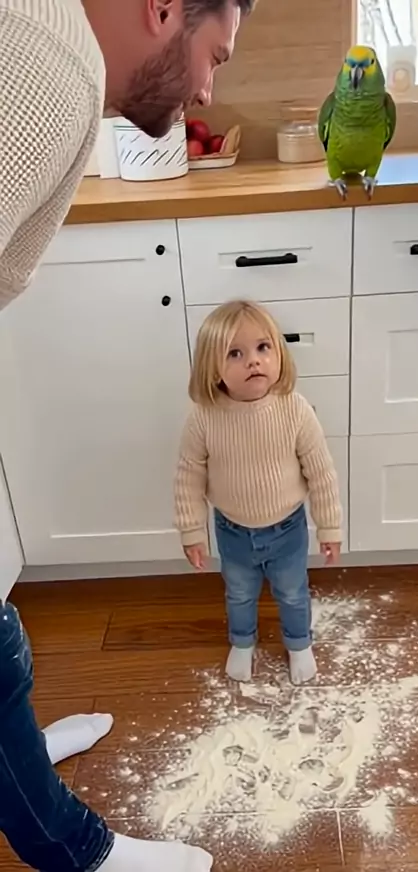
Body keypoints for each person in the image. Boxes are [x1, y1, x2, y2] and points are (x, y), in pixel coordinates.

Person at [0, 1, 253, 869]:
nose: (207, 89)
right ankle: (78, 853)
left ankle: (15, 758)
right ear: (164, 9)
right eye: (215, 54)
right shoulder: (49, 62)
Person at [174, 300, 343, 686]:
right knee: (238, 594)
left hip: (288, 529)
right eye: (235, 353)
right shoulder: (203, 418)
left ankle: (299, 644)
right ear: (212, 367)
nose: (253, 360)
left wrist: (329, 526)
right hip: (232, 531)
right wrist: (191, 530)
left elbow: (321, 472)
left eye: (263, 347)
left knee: (293, 593)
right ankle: (242, 642)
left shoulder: (295, 409)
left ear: (279, 352)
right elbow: (188, 477)